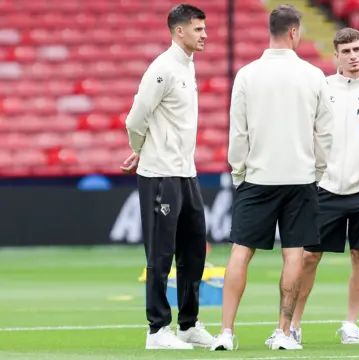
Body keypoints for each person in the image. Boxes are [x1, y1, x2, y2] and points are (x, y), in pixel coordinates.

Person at [210, 4, 334, 351]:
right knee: (294, 253)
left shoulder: (248, 74)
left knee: (240, 251)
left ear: (272, 30)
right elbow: (324, 134)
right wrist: (318, 170)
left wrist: (239, 172)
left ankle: (226, 333)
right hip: (300, 177)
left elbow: (238, 132)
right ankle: (282, 332)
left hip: (258, 177)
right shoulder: (313, 75)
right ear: (294, 32)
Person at [277, 28, 359, 346]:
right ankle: (295, 325)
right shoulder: (323, 87)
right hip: (324, 187)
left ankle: (351, 324)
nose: (353, 56)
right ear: (336, 56)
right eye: (346, 51)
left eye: (357, 49)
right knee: (309, 258)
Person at [120, 4, 215, 350]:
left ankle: (188, 325)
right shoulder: (162, 69)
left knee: (194, 252)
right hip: (160, 174)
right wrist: (143, 149)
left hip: (185, 173)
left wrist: (145, 148)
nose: (205, 35)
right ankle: (157, 330)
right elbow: (135, 119)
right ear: (179, 31)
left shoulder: (187, 67)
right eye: (198, 29)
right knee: (161, 255)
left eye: (204, 29)